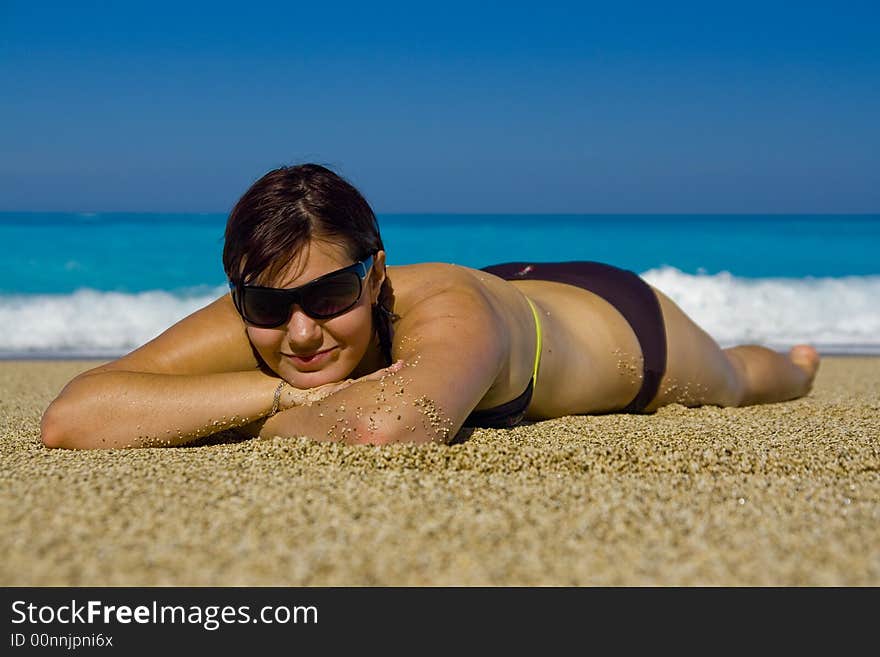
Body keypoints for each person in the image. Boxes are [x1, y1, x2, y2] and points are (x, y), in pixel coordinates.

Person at [40, 164, 821, 449]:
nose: (301, 331)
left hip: (618, 322)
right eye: (268, 306)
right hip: (505, 286)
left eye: (331, 295)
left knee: (740, 379)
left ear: (376, 276)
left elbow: (392, 423)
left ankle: (799, 360)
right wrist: (278, 391)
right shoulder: (276, 303)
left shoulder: (447, 309)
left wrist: (206, 409)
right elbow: (74, 415)